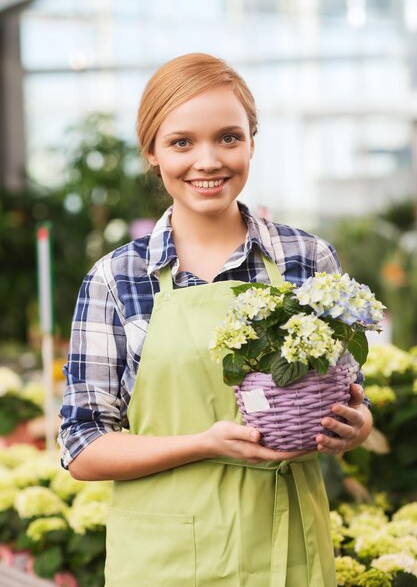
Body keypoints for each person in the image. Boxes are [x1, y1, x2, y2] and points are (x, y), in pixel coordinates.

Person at [59, 53, 373, 587]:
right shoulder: (117, 278)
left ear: (252, 142)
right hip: (165, 560)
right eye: (182, 142)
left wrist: (356, 427)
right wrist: (204, 442)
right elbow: (82, 446)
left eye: (229, 137)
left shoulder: (307, 259)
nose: (208, 161)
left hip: (286, 546)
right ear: (152, 153)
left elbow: (343, 393)